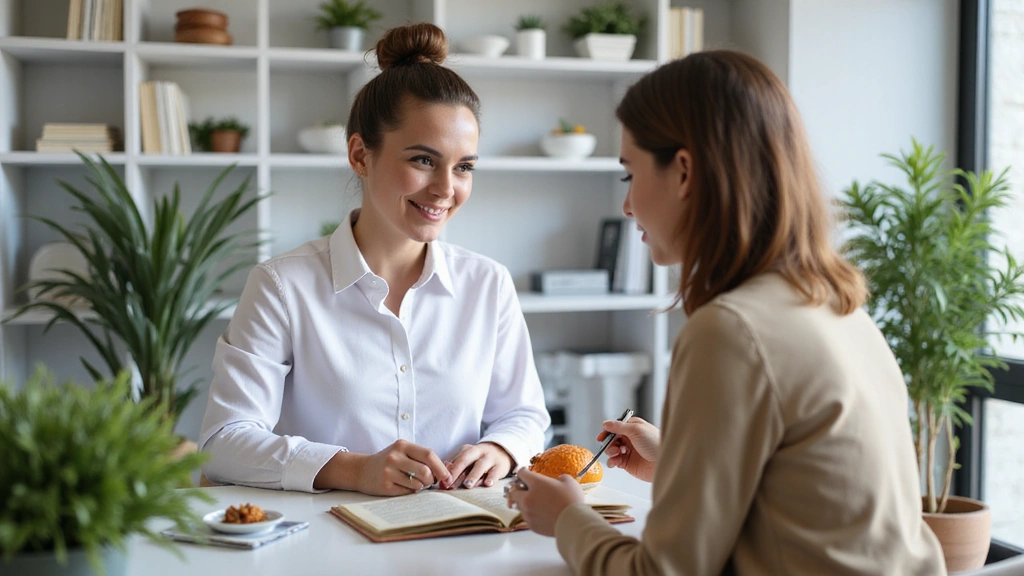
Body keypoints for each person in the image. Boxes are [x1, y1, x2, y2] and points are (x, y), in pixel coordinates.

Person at [506, 50, 946, 575]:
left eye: (629, 176)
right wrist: (677, 460)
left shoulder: (731, 330)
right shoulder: (837, 307)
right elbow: (806, 491)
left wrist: (568, 520)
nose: (625, 208)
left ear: (684, 172)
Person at [199, 23, 550, 496]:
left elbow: (524, 415)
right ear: (361, 155)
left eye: (464, 166)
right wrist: (354, 469)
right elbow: (224, 443)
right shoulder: (283, 286)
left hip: (463, 542)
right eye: (424, 160)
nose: (447, 189)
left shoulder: (488, 283)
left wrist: (502, 449)